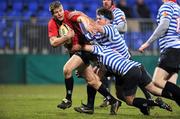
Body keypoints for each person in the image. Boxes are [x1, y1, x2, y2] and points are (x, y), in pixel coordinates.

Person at [73, 8, 172, 115]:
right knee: (122, 94)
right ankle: (163, 99)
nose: (96, 20)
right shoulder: (98, 33)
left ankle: (97, 104)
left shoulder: (109, 28)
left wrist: (82, 16)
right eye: (96, 18)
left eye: (99, 18)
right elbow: (85, 39)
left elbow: (91, 36)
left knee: (95, 80)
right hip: (121, 64)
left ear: (107, 20)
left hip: (123, 64)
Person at [48, 1, 121, 114]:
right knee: (92, 81)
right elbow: (53, 43)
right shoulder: (52, 23)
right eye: (56, 12)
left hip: (83, 48)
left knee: (67, 69)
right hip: (74, 52)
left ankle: (68, 99)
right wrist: (66, 37)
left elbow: (81, 18)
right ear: (53, 14)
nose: (59, 13)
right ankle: (113, 100)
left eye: (60, 10)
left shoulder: (69, 15)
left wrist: (86, 25)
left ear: (63, 9)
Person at [79, 43, 180, 115]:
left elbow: (96, 79)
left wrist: (86, 74)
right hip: (137, 66)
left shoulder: (101, 62)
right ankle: (176, 97)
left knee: (129, 100)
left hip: (129, 72)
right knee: (153, 89)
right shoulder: (105, 50)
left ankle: (156, 103)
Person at [139, 0, 180, 103]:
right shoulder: (177, 7)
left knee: (157, 81)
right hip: (177, 48)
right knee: (172, 88)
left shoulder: (166, 6)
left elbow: (163, 26)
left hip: (171, 48)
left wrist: (147, 43)